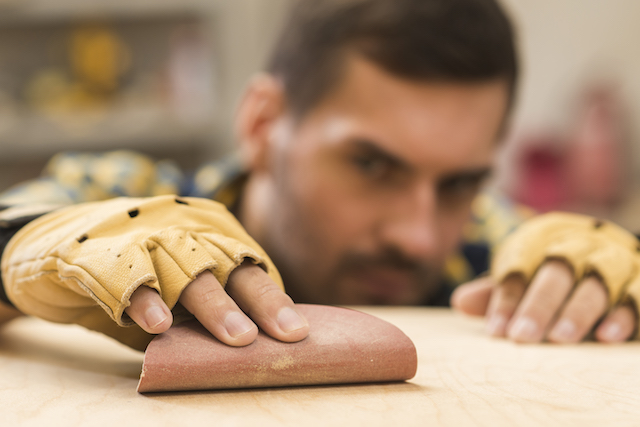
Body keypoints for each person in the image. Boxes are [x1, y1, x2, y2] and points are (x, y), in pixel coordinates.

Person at [0, 0, 636, 351]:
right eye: (371, 165)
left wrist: (608, 286)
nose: (418, 236)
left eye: (457, 184)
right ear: (261, 125)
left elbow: (579, 263)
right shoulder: (123, 194)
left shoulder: (492, 247)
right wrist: (31, 247)